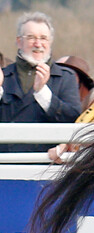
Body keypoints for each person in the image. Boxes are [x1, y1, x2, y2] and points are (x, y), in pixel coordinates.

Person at [0, 12, 82, 152]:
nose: (38, 44)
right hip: (6, 164)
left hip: (45, 165)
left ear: (50, 42)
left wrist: (42, 93)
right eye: (31, 37)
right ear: (19, 41)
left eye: (43, 38)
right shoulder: (4, 76)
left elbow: (73, 119)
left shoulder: (65, 78)